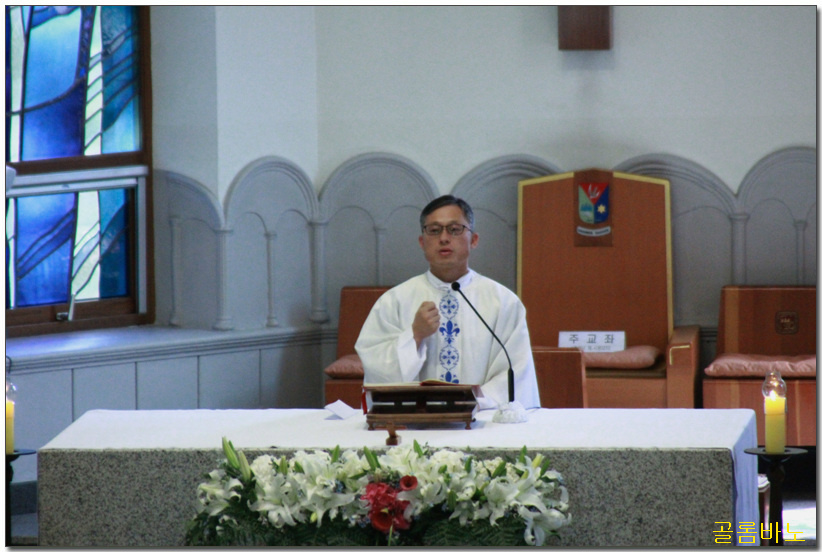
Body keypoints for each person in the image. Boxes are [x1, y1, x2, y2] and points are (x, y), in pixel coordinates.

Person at [355, 195, 540, 410]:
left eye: (454, 229)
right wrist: (415, 336)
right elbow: (377, 369)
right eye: (434, 230)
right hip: (414, 421)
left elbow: (515, 373)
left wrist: (470, 403)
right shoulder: (394, 301)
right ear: (422, 242)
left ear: (474, 240)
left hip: (480, 420)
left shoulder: (503, 302)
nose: (444, 238)